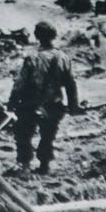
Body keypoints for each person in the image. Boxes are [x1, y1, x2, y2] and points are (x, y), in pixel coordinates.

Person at [8, 21, 80, 175]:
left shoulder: (32, 58)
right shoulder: (63, 57)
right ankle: (44, 166)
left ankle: (24, 165)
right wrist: (73, 106)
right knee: (48, 137)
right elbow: (70, 84)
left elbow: (20, 84)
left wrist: (12, 102)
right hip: (54, 105)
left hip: (30, 104)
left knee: (23, 134)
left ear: (37, 36)